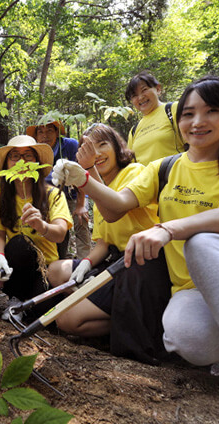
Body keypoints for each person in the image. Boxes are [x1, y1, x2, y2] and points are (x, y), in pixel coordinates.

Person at [53, 76, 219, 422]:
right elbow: (117, 206)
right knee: (184, 338)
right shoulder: (164, 168)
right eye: (188, 114)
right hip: (195, 290)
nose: (197, 122)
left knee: (203, 242)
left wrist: (166, 228)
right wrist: (83, 178)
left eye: (211, 111)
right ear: (178, 122)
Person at [47, 124, 171, 364]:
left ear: (117, 147)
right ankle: (119, 312)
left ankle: (140, 319)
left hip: (140, 265)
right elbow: (104, 243)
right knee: (54, 270)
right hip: (114, 260)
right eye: (88, 147)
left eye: (102, 144)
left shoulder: (135, 172)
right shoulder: (100, 186)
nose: (95, 153)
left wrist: (88, 171)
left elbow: (114, 210)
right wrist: (85, 264)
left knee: (66, 320)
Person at [0, 135, 72, 319]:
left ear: (37, 162)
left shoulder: (53, 194)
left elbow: (60, 234)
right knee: (19, 243)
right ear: (6, 164)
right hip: (17, 268)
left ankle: (27, 309)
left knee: (44, 313)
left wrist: (42, 226)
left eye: (28, 156)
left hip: (47, 270)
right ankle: (16, 299)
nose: (21, 161)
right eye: (15, 156)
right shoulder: (1, 196)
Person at [26, 120, 90, 259]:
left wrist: (80, 205)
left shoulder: (69, 145)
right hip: (50, 197)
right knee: (56, 225)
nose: (45, 135)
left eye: (49, 130)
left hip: (74, 194)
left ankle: (85, 261)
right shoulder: (35, 151)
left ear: (57, 132)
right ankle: (59, 260)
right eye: (40, 132)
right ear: (36, 136)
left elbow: (82, 173)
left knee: (81, 220)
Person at [124, 71, 185, 165]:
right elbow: (132, 165)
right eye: (134, 95)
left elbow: (196, 146)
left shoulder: (173, 109)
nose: (140, 97)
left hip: (177, 177)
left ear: (158, 89)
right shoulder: (134, 130)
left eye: (144, 90)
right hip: (146, 179)